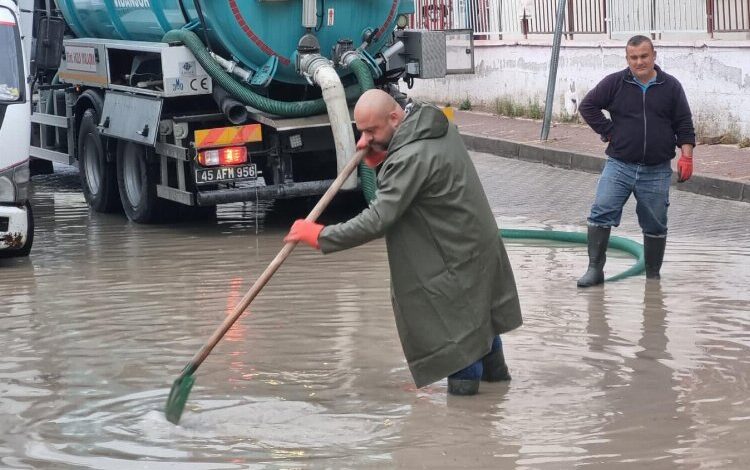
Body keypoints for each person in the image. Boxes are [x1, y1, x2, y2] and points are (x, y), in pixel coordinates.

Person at [285, 89, 522, 395]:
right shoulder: (437, 127)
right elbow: (415, 183)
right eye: (362, 132)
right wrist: (379, 152)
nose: (366, 139)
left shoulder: (410, 157)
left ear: (395, 118)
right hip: (476, 247)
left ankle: (466, 426)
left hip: (454, 258)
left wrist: (319, 235)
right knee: (481, 324)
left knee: (459, 343)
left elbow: (378, 218)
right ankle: (497, 400)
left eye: (372, 130)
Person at [577, 35, 695, 287]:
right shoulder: (615, 83)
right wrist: (608, 131)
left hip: (656, 170)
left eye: (644, 56)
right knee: (601, 211)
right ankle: (594, 270)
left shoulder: (670, 86)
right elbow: (588, 106)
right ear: (627, 58)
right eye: (634, 57)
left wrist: (687, 156)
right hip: (619, 165)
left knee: (655, 222)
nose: (639, 62)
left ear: (654, 55)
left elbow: (684, 124)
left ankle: (653, 277)